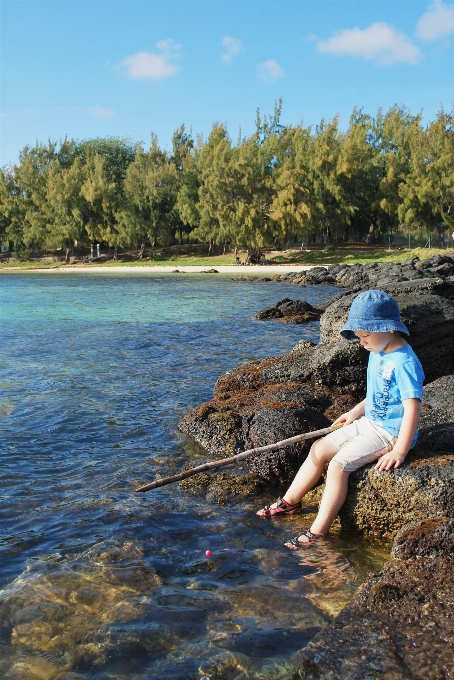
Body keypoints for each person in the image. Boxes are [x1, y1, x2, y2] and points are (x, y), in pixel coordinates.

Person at [257, 290, 424, 549]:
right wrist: (356, 412)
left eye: (365, 336)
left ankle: (317, 532)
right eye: (359, 337)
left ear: (388, 329)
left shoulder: (404, 363)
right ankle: (290, 502)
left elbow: (412, 407)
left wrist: (400, 449)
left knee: (338, 465)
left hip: (389, 432)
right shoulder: (378, 350)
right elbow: (378, 393)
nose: (362, 343)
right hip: (369, 422)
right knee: (319, 448)